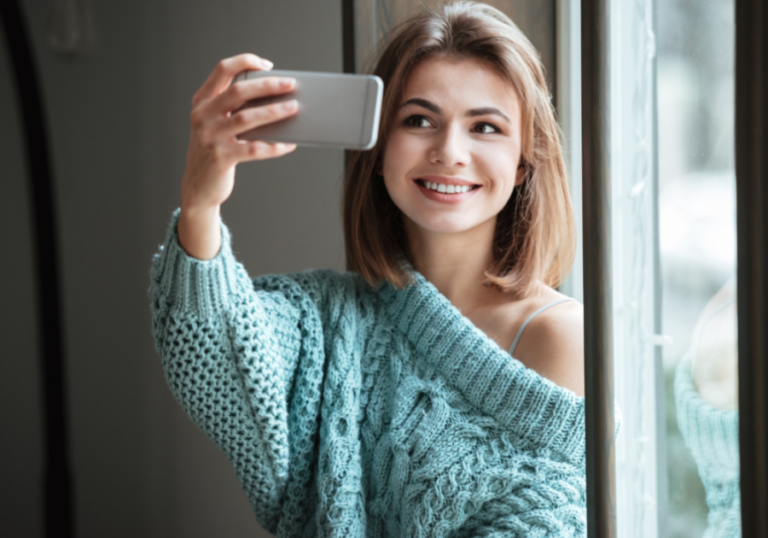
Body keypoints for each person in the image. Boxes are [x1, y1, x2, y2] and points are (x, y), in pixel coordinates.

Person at [150, 2, 587, 536]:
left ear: (523, 162)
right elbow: (211, 350)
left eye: (485, 127)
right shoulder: (325, 319)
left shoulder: (561, 336)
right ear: (379, 149)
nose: (450, 151)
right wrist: (200, 200)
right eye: (419, 120)